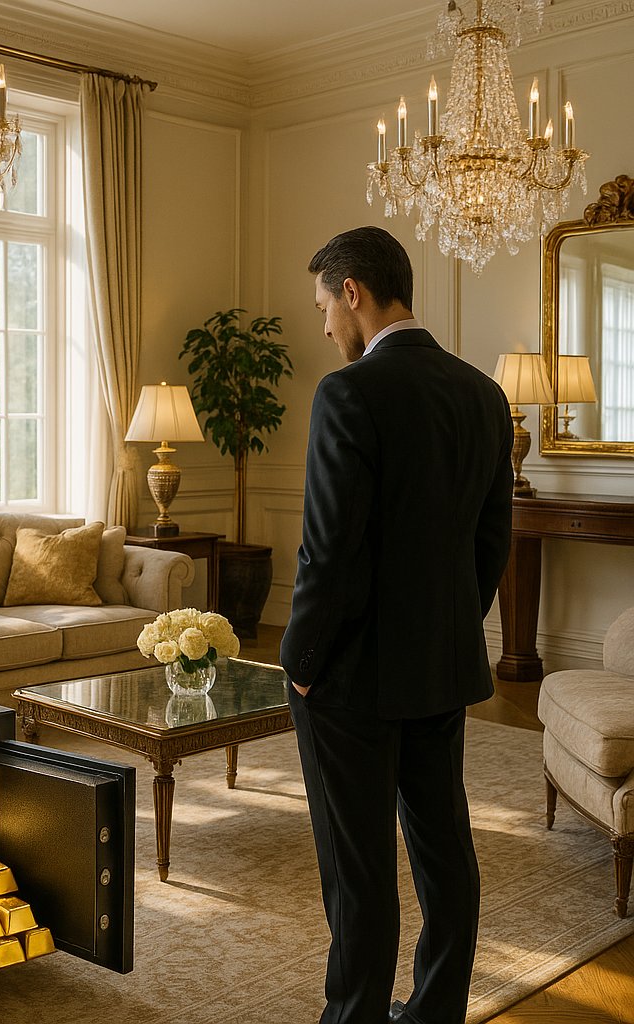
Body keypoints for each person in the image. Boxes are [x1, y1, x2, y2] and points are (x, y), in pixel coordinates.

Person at [281, 226, 514, 1024]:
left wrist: (299, 661)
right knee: (444, 851)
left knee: (359, 872)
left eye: (323, 306)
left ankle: (354, 1018)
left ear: (353, 292)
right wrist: (447, 628)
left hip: (349, 679)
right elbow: (491, 544)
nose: (324, 327)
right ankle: (436, 1011)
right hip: (441, 667)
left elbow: (328, 552)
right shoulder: (483, 395)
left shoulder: (348, 393)